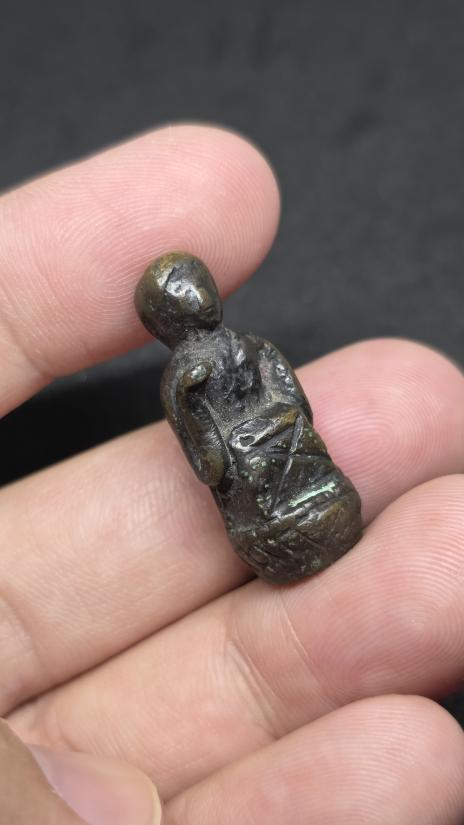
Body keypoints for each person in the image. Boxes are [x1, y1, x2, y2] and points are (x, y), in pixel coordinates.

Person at [0, 123, 463, 824]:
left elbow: (290, 402)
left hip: (287, 460)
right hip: (258, 478)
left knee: (290, 453)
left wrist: (275, 425)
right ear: (165, 321)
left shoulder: (246, 347)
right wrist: (240, 443)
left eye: (198, 287)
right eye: (182, 296)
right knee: (257, 469)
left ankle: (302, 502)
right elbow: (206, 458)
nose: (196, 300)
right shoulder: (182, 378)